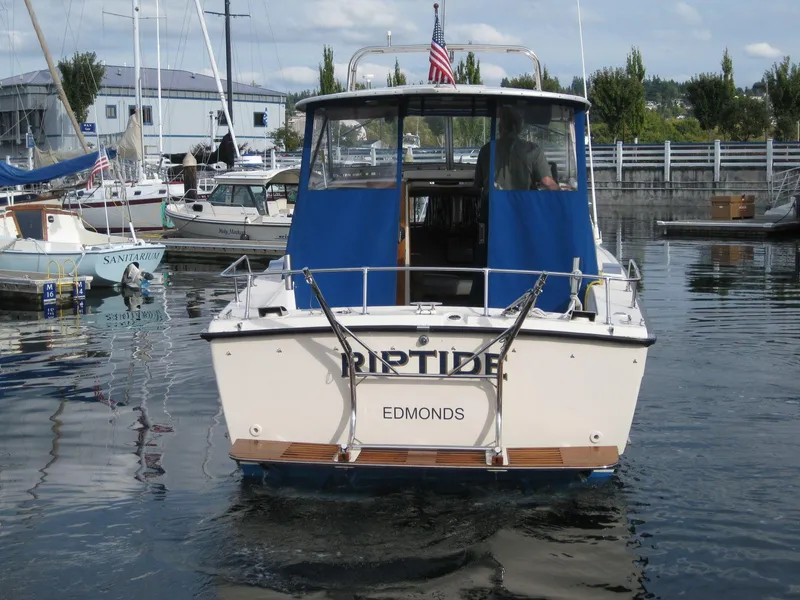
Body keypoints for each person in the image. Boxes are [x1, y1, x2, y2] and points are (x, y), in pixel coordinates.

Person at [473, 106, 559, 203]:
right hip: (520, 209)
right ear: (517, 127)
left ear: (500, 127)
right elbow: (547, 182)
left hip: (492, 211)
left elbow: (477, 186)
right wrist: (562, 192)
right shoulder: (533, 150)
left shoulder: (486, 150)